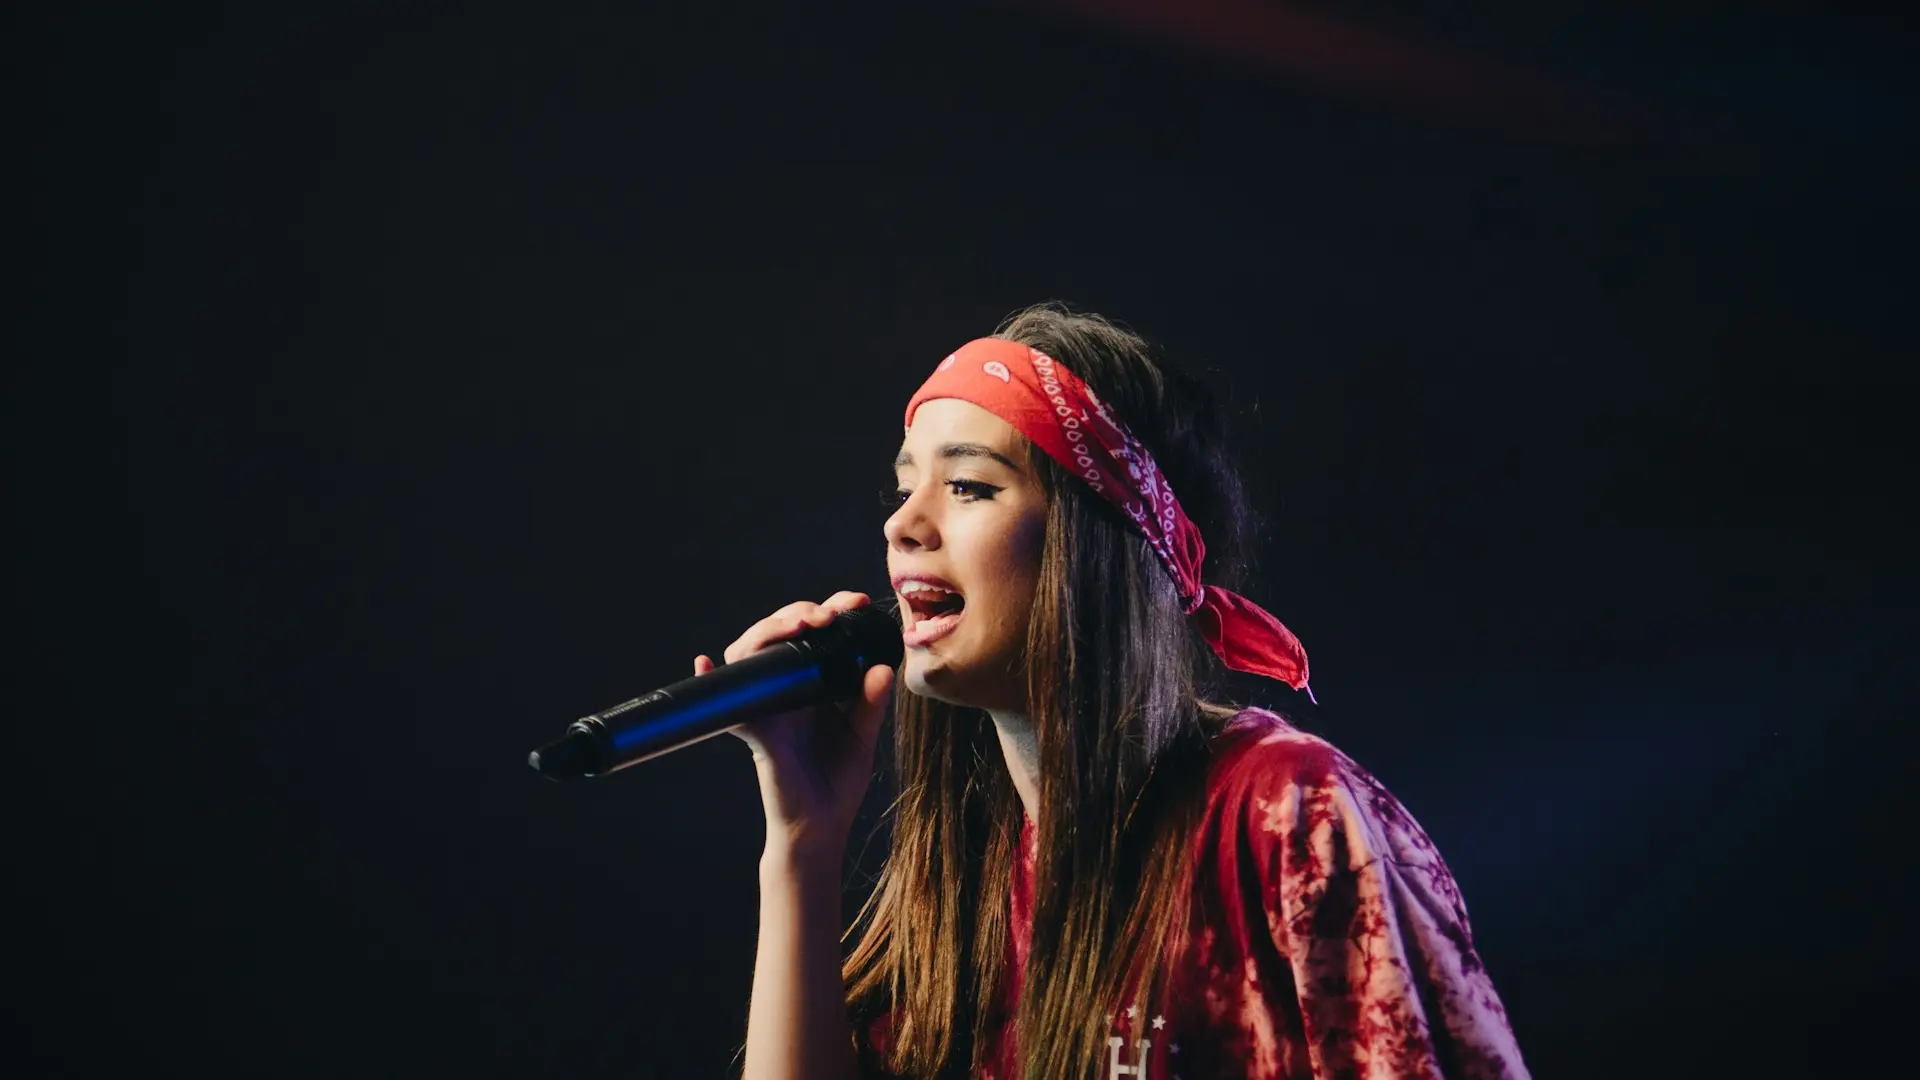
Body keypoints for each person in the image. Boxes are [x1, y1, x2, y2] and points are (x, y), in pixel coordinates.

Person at [701, 304, 1530, 1080]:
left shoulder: (1287, 812)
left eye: (970, 486)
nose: (902, 524)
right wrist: (802, 843)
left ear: (1102, 540)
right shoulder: (964, 875)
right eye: (904, 485)